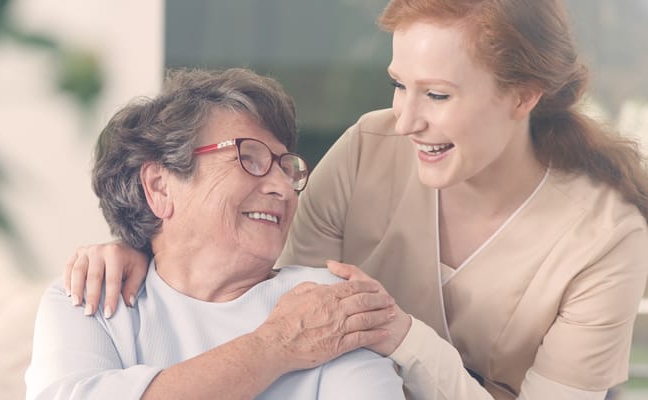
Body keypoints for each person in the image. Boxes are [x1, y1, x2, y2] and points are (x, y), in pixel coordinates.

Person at [61, 0, 648, 399]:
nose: (405, 119)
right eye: (399, 84)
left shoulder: (606, 239)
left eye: (437, 95)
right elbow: (267, 293)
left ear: (523, 96)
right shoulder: (371, 146)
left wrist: (403, 337)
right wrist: (147, 246)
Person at [25, 68, 406, 399]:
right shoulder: (91, 298)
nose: (283, 188)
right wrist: (275, 345)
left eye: (284, 167)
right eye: (249, 158)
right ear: (159, 187)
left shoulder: (328, 304)